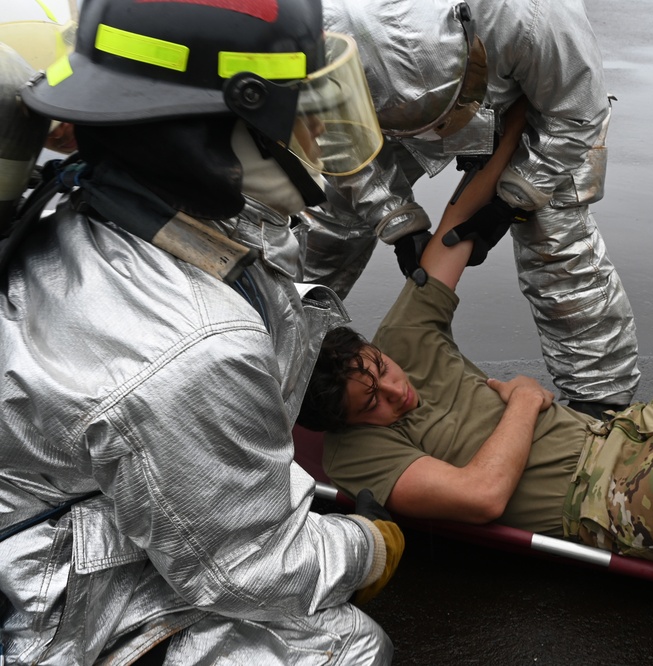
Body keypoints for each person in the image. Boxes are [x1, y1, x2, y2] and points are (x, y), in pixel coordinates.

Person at [0, 0, 401, 662]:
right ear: (221, 131)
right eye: (297, 112)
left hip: (50, 517)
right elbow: (254, 571)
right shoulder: (193, 344)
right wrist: (370, 545)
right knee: (344, 646)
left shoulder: (106, 207)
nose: (314, 137)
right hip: (46, 615)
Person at [298, 102, 653, 578]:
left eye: (381, 371)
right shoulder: (356, 455)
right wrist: (522, 399)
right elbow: (481, 497)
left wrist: (516, 121)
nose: (395, 391)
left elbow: (455, 231)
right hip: (613, 496)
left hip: (633, 431)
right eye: (371, 403)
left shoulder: (401, 339)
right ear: (343, 424)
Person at [299, 0, 641, 418]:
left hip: (538, 102)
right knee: (327, 213)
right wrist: (396, 219)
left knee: (555, 231)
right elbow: (342, 144)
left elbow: (576, 115)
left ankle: (602, 395)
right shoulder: (320, 31)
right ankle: (291, 353)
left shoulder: (533, 15)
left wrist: (513, 201)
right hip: (375, 114)